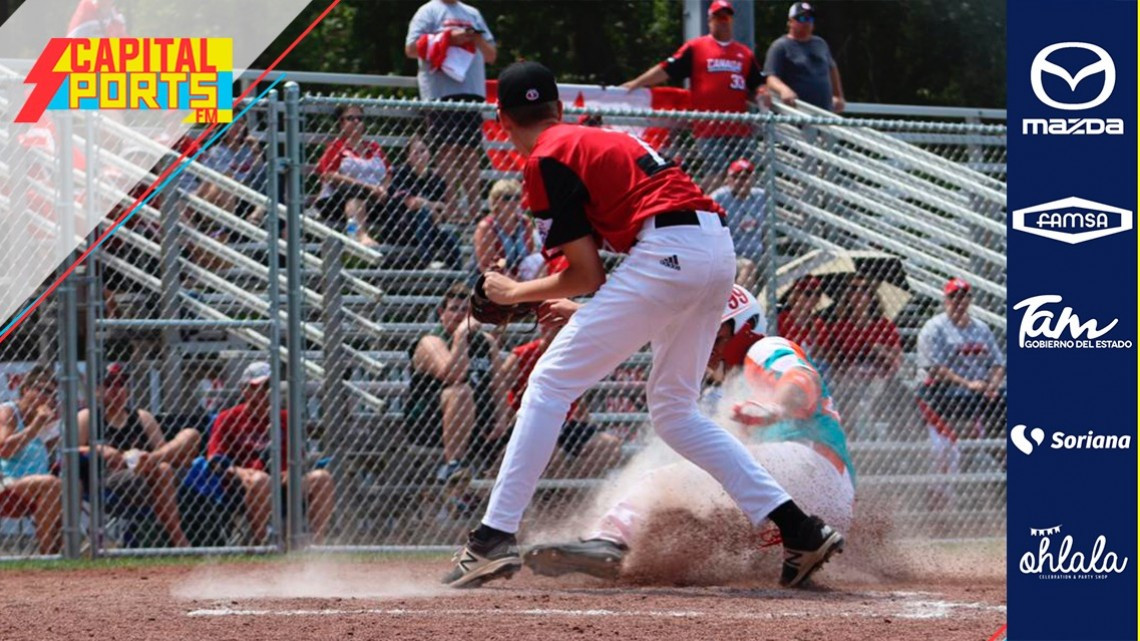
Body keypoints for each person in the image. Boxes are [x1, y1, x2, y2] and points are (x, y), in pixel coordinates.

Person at [442, 61, 843, 590]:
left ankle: (493, 536)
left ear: (502, 119)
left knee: (548, 383)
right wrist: (576, 307)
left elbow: (588, 272)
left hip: (667, 253)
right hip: (714, 249)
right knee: (675, 412)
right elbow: (608, 273)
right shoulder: (599, 139)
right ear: (559, 110)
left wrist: (514, 292)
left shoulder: (544, 158)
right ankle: (799, 528)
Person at [524, 286, 854, 579]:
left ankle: (607, 541)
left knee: (666, 481)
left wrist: (778, 407)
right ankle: (630, 559)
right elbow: (663, 330)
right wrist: (586, 314)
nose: (703, 341)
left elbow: (800, 379)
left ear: (745, 327)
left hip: (811, 465)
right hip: (819, 506)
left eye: (715, 332)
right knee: (696, 518)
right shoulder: (731, 385)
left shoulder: (763, 348)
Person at [622, 0, 764, 185]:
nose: (723, 21)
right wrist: (636, 83)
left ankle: (731, 212)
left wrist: (763, 92)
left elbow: (757, 83)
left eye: (727, 16)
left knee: (743, 173)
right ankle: (708, 210)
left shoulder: (744, 53)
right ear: (710, 20)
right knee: (718, 172)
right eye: (718, 16)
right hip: (709, 127)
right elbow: (666, 69)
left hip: (739, 126)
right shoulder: (697, 47)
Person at [206, 362, 335, 545]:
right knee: (260, 480)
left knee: (322, 478)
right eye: (259, 387)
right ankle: (264, 546)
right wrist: (240, 472)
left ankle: (315, 547)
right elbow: (215, 460)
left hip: (284, 481)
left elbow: (298, 459)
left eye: (270, 387)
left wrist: (290, 473)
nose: (266, 393)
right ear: (245, 390)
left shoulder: (286, 417)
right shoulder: (228, 418)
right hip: (244, 483)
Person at [76, 363, 200, 547]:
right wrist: (101, 449)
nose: (116, 390)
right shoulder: (88, 416)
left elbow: (163, 449)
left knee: (190, 435)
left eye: (121, 384)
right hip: (110, 479)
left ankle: (148, 461)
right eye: (109, 384)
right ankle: (179, 540)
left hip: (149, 475)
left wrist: (149, 459)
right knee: (163, 469)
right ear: (97, 390)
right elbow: (70, 450)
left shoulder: (142, 417)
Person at [405, 0, 497, 223]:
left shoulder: (472, 13)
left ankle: (475, 211)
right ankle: (452, 209)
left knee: (470, 152)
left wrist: (475, 38)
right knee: (447, 150)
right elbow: (410, 49)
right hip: (441, 93)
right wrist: (448, 39)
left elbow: (491, 55)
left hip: (471, 91)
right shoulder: (428, 11)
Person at [408, 283, 508, 483]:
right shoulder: (431, 342)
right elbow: (454, 375)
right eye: (454, 309)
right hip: (432, 422)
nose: (460, 315)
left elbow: (499, 385)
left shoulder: (486, 342)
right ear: (441, 313)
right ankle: (453, 464)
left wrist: (502, 419)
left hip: (480, 419)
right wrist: (461, 336)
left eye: (466, 310)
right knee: (461, 392)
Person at [916, 278, 1006, 494]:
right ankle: (943, 493)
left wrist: (992, 385)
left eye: (964, 296)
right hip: (942, 393)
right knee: (949, 446)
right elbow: (934, 368)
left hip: (978, 393)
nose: (959, 301)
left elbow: (997, 363)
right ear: (945, 300)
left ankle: (1005, 471)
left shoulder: (981, 328)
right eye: (953, 296)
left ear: (970, 300)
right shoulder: (934, 328)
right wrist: (968, 383)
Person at [501, 321, 622, 479]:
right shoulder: (523, 354)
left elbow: (577, 396)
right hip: (529, 420)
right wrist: (505, 419)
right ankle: (558, 493)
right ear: (544, 330)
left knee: (609, 445)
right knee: (551, 453)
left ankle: (571, 487)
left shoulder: (573, 356)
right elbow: (499, 389)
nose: (563, 333)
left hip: (564, 423)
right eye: (557, 328)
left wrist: (585, 419)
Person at [827, 276, 903, 438]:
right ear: (847, 295)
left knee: (876, 393)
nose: (859, 294)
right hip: (849, 380)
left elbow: (897, 360)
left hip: (879, 380)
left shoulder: (883, 326)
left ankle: (874, 435)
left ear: (871, 296)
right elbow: (832, 361)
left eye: (864, 290)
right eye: (854, 289)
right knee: (849, 394)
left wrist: (877, 348)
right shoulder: (840, 327)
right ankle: (852, 436)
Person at [0, 366, 62, 554]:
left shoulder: (45, 419)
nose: (49, 398)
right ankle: (47, 553)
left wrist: (53, 428)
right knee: (51, 484)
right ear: (26, 389)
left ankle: (65, 554)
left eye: (52, 394)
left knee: (73, 485)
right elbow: (4, 450)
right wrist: (36, 427)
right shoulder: (8, 412)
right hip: (7, 482)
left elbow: (47, 452)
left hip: (37, 484)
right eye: (43, 391)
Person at [315, 104, 391, 248]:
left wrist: (383, 188)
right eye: (351, 118)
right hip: (338, 199)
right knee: (355, 193)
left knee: (399, 196)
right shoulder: (336, 147)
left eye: (360, 118)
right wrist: (367, 187)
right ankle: (358, 234)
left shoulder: (374, 147)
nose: (356, 121)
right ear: (341, 123)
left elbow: (388, 173)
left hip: (375, 198)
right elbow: (329, 175)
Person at [389, 134, 463, 268]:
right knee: (423, 213)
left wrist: (435, 211)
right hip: (402, 228)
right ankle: (427, 261)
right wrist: (432, 207)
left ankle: (456, 282)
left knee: (451, 239)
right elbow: (411, 203)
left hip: (430, 228)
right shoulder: (401, 173)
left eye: (423, 151)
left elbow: (443, 212)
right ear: (408, 156)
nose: (420, 155)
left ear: (429, 153)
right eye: (415, 152)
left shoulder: (436, 180)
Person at [763, 2, 846, 113]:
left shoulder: (820, 44)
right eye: (802, 18)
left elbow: (832, 68)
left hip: (824, 113)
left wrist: (838, 96)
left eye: (810, 19)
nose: (807, 22)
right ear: (790, 22)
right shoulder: (780, 46)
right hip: (797, 114)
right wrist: (784, 90)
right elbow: (771, 77)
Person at [709, 159, 767, 288]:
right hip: (730, 257)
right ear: (728, 179)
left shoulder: (760, 196)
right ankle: (739, 306)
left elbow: (766, 230)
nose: (741, 182)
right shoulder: (718, 198)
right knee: (748, 266)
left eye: (745, 177)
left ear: (752, 179)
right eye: (736, 177)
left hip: (758, 254)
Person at [473, 179, 541, 278]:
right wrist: (514, 283)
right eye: (507, 198)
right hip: (491, 276)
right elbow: (488, 264)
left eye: (517, 197)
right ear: (495, 200)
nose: (513, 202)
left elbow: (530, 255)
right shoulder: (487, 226)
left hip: (521, 273)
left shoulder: (525, 222)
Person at [778, 275, 831, 366]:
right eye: (808, 293)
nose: (814, 297)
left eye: (818, 293)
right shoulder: (782, 319)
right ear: (797, 294)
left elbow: (825, 353)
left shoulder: (818, 323)